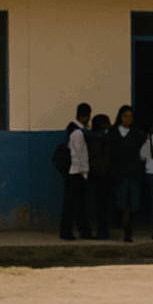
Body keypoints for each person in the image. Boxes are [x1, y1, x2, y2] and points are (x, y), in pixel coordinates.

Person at [108, 105, 147, 242]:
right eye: (125, 116)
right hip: (119, 173)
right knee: (121, 201)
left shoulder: (137, 134)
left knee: (132, 202)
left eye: (130, 117)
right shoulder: (113, 133)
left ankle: (128, 229)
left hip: (134, 172)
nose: (128, 119)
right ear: (120, 117)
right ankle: (122, 225)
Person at [59, 102, 93, 241]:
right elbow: (79, 155)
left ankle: (76, 230)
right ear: (85, 116)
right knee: (75, 204)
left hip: (73, 172)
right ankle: (70, 231)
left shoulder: (72, 129)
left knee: (73, 204)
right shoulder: (78, 133)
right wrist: (85, 172)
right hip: (76, 173)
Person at [86, 114, 114, 240]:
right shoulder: (108, 138)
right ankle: (104, 231)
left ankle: (101, 231)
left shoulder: (91, 139)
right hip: (106, 176)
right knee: (105, 206)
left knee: (98, 206)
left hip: (95, 175)